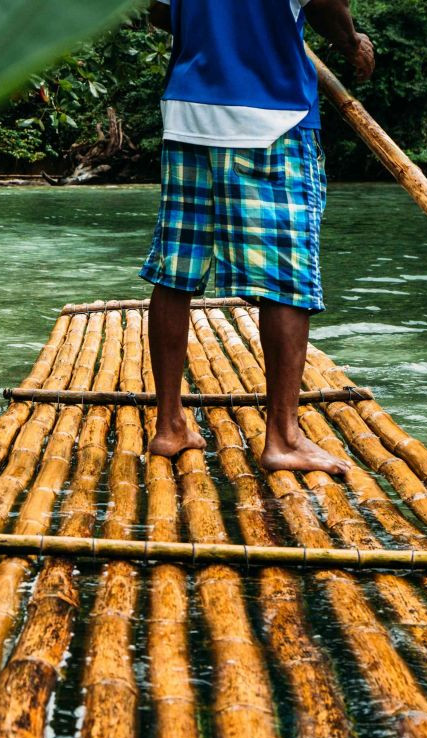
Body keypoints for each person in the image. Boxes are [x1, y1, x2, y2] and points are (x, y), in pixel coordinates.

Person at [142, 0, 374, 474]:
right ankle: (284, 439)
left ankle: (170, 427)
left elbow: (159, 11)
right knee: (287, 280)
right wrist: (351, 44)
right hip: (270, 117)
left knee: (176, 270)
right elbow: (327, 4)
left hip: (188, 115)